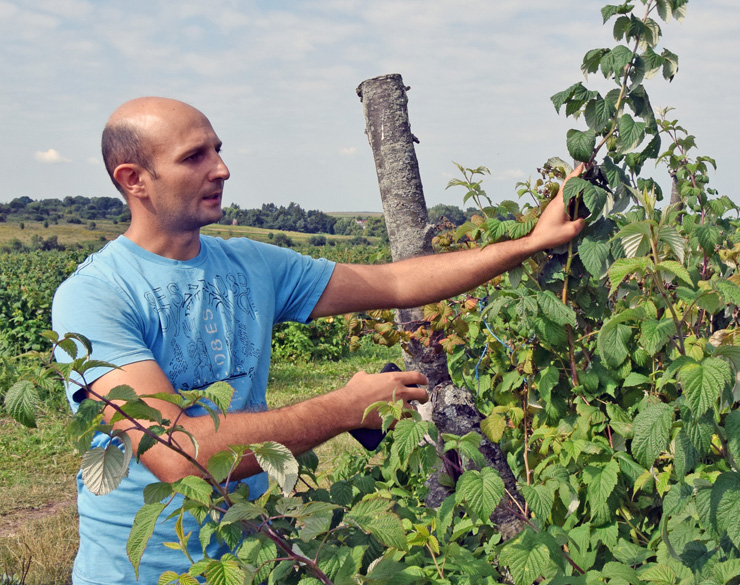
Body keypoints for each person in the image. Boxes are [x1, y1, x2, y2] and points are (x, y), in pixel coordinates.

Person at [51, 96, 585, 584]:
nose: (222, 168)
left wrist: (528, 244)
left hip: (259, 556)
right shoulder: (95, 296)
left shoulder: (253, 264)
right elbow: (179, 455)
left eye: (218, 149)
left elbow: (396, 282)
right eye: (194, 157)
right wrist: (345, 409)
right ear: (134, 179)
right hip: (149, 572)